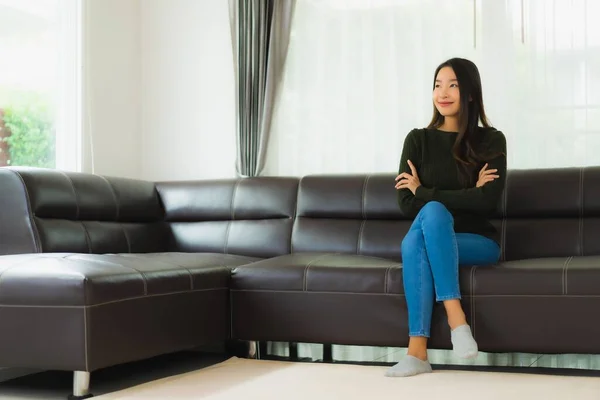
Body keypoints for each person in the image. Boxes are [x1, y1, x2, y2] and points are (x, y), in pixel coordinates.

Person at [386, 58, 507, 377]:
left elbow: (487, 202)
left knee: (418, 236)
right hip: (434, 236)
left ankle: (419, 350)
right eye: (438, 84)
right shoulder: (417, 140)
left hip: (479, 242)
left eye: (452, 84)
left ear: (469, 93)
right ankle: (455, 324)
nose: (443, 92)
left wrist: (424, 190)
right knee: (425, 226)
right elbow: (405, 203)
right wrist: (466, 194)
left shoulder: (491, 141)